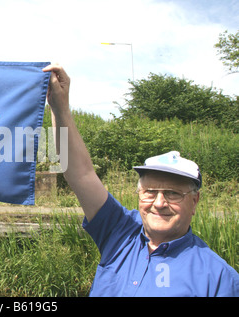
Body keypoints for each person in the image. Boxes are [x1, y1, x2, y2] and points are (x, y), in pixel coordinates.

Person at [42, 64, 239, 297]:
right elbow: (80, 173)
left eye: (173, 193)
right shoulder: (120, 230)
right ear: (139, 193)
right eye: (150, 191)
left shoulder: (219, 278)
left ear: (195, 201)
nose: (159, 202)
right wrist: (59, 105)